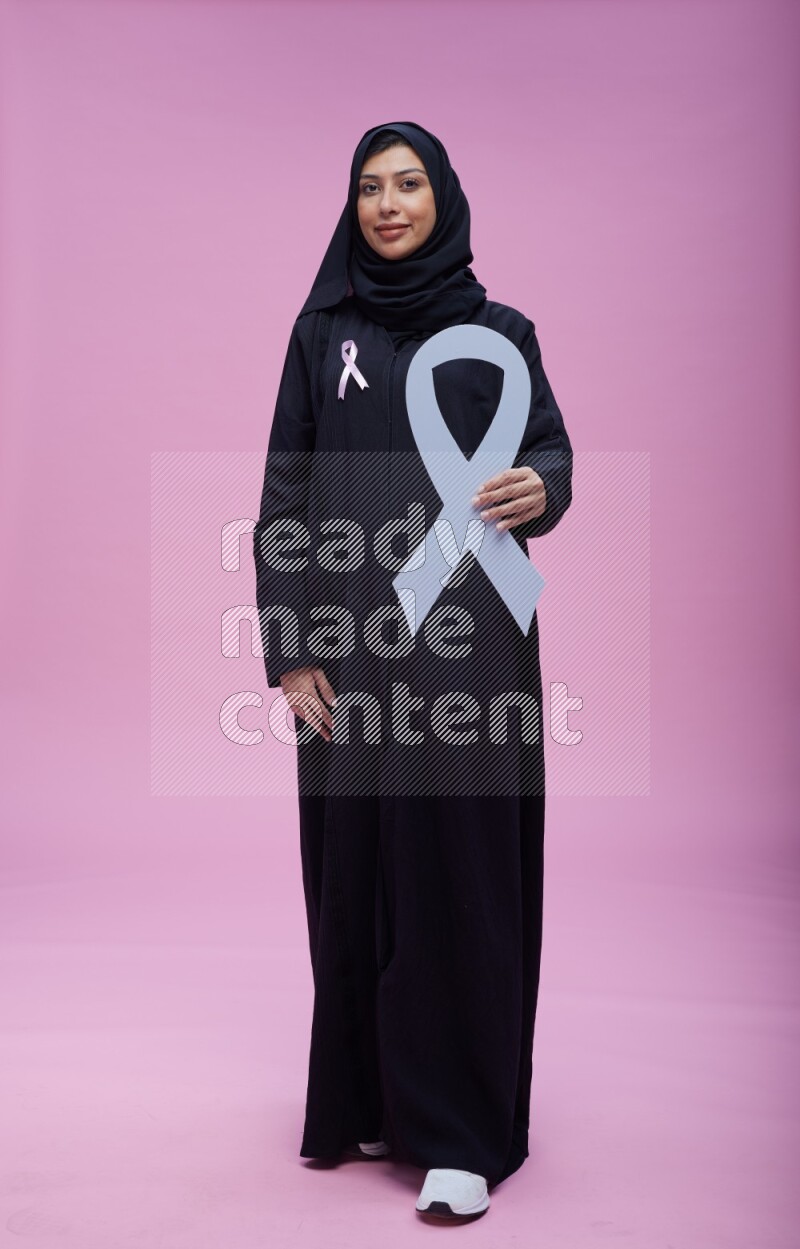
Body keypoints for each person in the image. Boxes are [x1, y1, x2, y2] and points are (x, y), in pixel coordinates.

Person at [253, 121, 573, 1220]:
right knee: (356, 875)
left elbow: (548, 454)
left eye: (408, 184)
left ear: (443, 198)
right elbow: (284, 501)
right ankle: (370, 1099)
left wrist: (544, 486)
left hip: (472, 661)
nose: (387, 203)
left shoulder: (500, 332)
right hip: (348, 656)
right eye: (368, 187)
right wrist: (290, 653)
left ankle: (461, 1133)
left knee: (457, 883)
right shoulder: (319, 336)